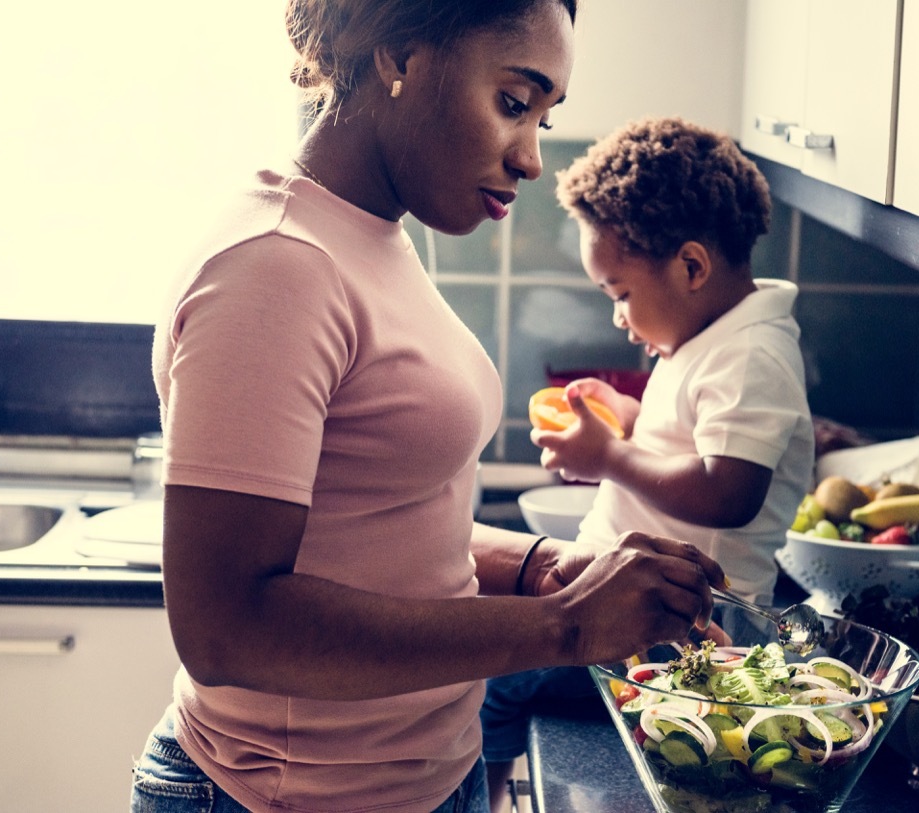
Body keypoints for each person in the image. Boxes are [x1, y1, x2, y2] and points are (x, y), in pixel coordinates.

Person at [129, 5, 729, 813]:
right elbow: (227, 625)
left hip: (425, 780)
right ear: (401, 52)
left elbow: (374, 519)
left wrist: (533, 566)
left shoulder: (371, 233)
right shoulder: (275, 264)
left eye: (544, 119)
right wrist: (566, 625)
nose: (532, 159)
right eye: (515, 103)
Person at [481, 116, 816, 809]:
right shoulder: (708, 337)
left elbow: (728, 490)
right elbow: (687, 443)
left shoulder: (751, 355)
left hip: (684, 631)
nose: (618, 318)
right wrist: (626, 422)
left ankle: (482, 797)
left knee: (495, 670)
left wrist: (611, 456)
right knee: (483, 632)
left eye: (620, 294)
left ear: (692, 266)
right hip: (637, 603)